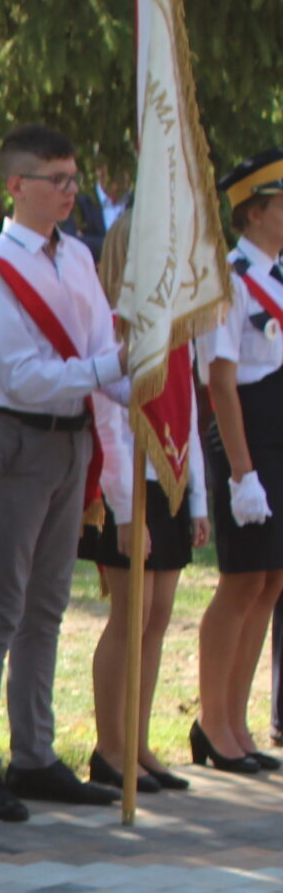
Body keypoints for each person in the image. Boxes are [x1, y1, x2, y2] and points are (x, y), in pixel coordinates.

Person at [0, 124, 129, 821]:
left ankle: (33, 752)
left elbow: (100, 347)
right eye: (57, 180)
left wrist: (132, 381)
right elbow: (22, 376)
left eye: (73, 178)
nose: (70, 191)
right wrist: (108, 369)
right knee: (1, 602)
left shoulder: (78, 255)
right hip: (21, 440)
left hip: (73, 437)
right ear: (17, 186)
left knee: (48, 603)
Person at [81, 211, 209, 794]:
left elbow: (188, 414)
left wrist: (197, 498)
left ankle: (137, 741)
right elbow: (109, 420)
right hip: (127, 484)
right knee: (131, 615)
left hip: (168, 479)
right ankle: (110, 748)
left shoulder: (176, 333)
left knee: (157, 617)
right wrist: (127, 509)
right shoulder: (113, 327)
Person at [192, 149, 283, 775]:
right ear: (255, 212)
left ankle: (237, 722)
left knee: (271, 581)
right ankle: (212, 722)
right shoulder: (227, 278)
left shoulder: (277, 275)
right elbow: (221, 382)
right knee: (242, 580)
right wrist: (243, 474)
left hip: (278, 433)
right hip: (246, 436)